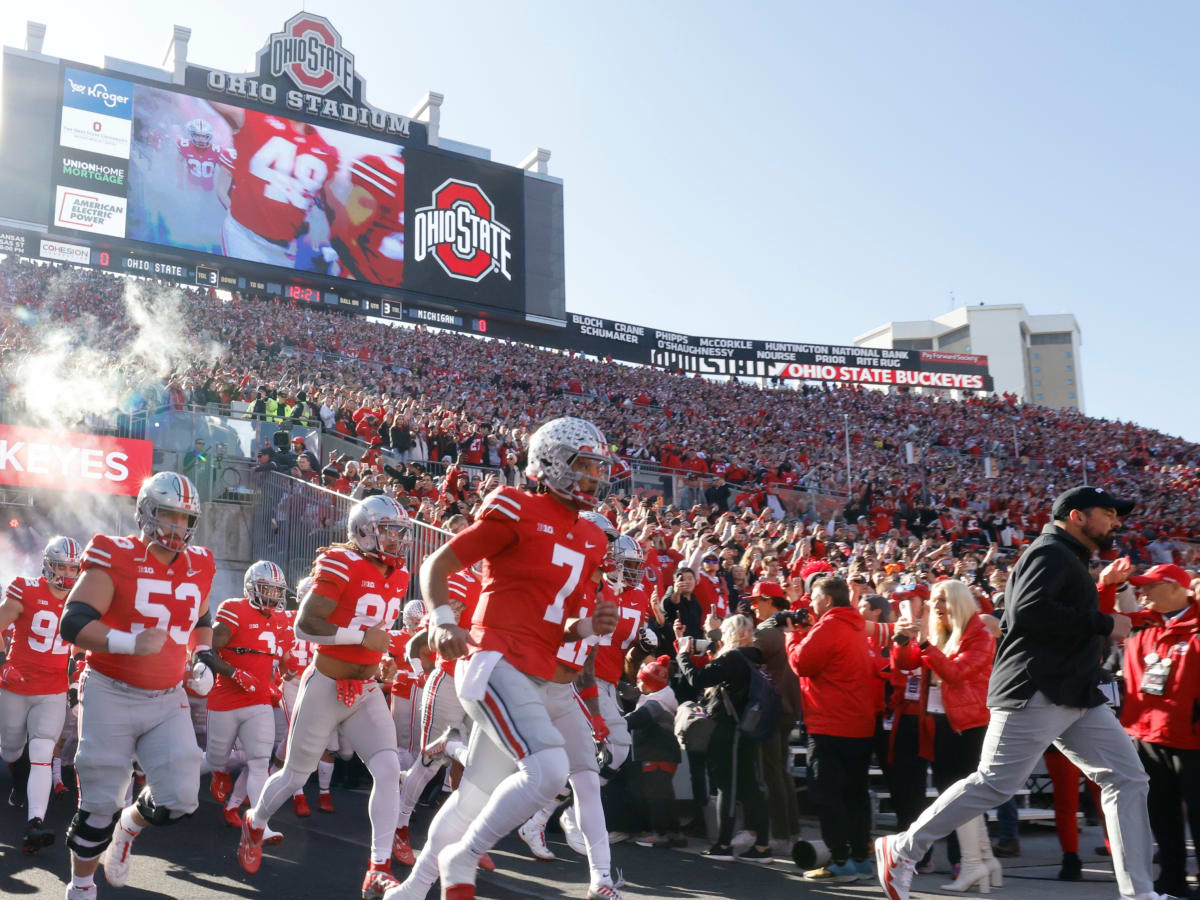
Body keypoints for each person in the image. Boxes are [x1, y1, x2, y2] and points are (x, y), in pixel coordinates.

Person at [875, 486, 1160, 900]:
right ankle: (902, 847)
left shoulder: (1068, 556)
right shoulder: (1050, 552)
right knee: (994, 782)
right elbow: (1028, 612)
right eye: (1109, 513)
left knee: (1128, 777)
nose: (1116, 521)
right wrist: (1103, 622)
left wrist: (1101, 608)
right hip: (1037, 688)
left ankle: (1140, 893)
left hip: (1074, 690)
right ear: (1078, 516)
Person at [382, 415, 619, 900]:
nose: (596, 477)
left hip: (532, 673)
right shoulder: (517, 507)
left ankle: (411, 888)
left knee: (473, 796)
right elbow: (437, 563)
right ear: (550, 463)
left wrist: (592, 625)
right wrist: (443, 620)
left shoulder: (592, 538)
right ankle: (463, 857)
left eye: (599, 468)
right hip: (492, 658)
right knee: (550, 769)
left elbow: (565, 622)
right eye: (585, 466)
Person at [237, 494, 412, 900]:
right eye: (389, 530)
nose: (396, 539)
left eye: (401, 532)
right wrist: (361, 638)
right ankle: (256, 820)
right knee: (296, 774)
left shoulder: (399, 574)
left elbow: (376, 629)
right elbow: (305, 625)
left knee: (388, 771)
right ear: (365, 529)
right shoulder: (340, 562)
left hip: (366, 689)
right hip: (327, 684)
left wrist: (381, 657)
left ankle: (377, 868)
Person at [58, 472, 216, 900]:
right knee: (97, 806)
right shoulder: (114, 553)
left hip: (167, 697)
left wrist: (202, 656)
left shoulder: (200, 562)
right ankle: (81, 887)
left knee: (182, 797)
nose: (177, 527)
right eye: (169, 514)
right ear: (146, 511)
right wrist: (130, 642)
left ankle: (129, 827)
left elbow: (201, 619)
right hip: (111, 690)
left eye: (185, 518)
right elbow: (72, 622)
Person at [894, 579, 999, 892]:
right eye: (934, 601)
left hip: (968, 725)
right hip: (940, 723)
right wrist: (903, 638)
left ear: (960, 601)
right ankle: (984, 860)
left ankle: (971, 863)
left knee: (960, 796)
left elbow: (955, 674)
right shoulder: (941, 634)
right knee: (955, 794)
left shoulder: (980, 635)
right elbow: (904, 664)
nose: (935, 607)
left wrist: (925, 644)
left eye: (942, 600)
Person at [784, 575, 877, 882]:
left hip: (831, 723)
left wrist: (791, 636)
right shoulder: (852, 625)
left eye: (813, 597)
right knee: (855, 794)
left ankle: (839, 860)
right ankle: (861, 859)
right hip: (858, 723)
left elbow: (802, 664)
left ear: (825, 599)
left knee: (828, 794)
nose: (810, 603)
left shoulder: (831, 626)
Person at [1120, 563, 1200, 898]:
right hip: (1148, 738)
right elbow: (1093, 617)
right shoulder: (1144, 628)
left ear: (1177, 588)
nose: (1144, 593)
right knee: (1163, 819)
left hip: (1193, 740)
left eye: (1152, 586)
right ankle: (1172, 882)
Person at [0, 536, 80, 854]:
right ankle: (18, 780)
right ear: (48, 564)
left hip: (53, 688)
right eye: (61, 566)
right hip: (17, 686)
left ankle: (35, 823)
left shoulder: (82, 599)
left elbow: (81, 641)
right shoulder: (25, 588)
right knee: (10, 749)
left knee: (43, 753)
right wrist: (2, 665)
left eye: (73, 568)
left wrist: (74, 680)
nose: (68, 574)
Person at [203, 561, 290, 840]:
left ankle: (259, 825)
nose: (272, 596)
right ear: (252, 587)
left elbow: (276, 661)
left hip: (259, 700)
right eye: (266, 588)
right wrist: (234, 672)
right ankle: (214, 772)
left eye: (276, 591)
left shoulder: (280, 620)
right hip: (226, 698)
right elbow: (206, 649)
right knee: (216, 759)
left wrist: (276, 683)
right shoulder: (233, 608)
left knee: (258, 760)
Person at [676, 614, 771, 863]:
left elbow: (698, 678)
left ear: (730, 633)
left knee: (725, 787)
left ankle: (724, 845)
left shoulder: (733, 658)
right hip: (748, 727)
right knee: (750, 786)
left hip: (728, 729)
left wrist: (683, 655)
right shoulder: (755, 658)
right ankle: (762, 847)